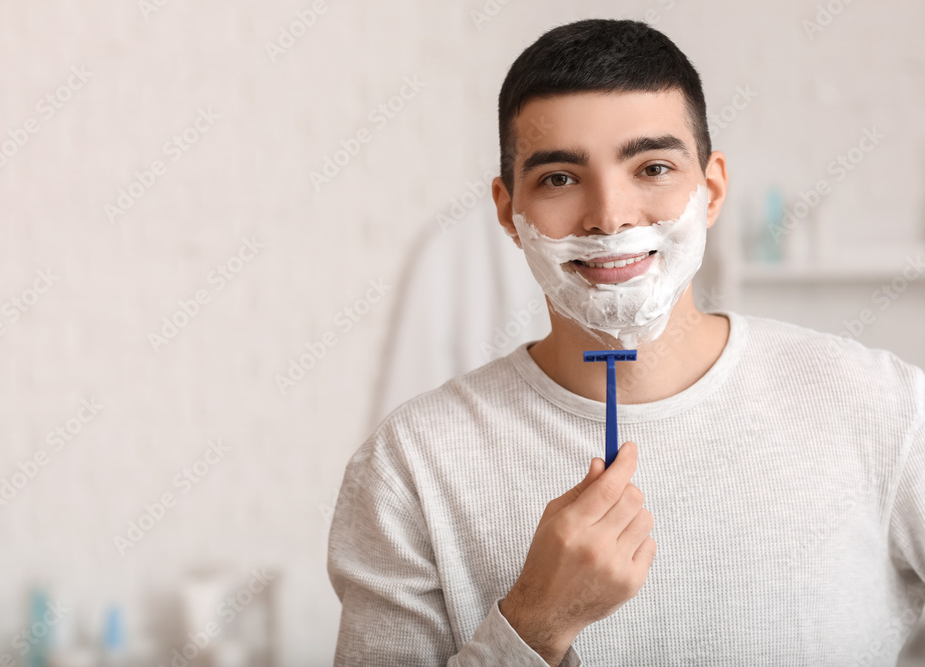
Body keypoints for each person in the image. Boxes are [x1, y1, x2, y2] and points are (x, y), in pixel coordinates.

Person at [327, 18, 925, 666]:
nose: (609, 215)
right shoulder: (410, 466)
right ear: (508, 211)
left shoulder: (885, 409)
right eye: (560, 177)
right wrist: (532, 623)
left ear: (712, 189)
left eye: (653, 167)